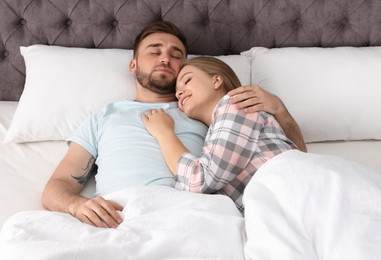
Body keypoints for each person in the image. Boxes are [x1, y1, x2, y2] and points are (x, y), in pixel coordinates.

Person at [42, 21, 305, 228]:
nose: (165, 59)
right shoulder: (104, 116)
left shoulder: (206, 112)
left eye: (176, 55)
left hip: (192, 212)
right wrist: (77, 206)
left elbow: (296, 159)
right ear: (132, 65)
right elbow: (60, 183)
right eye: (154, 52)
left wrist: (280, 110)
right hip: (121, 215)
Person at [142, 56, 298, 212]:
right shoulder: (215, 133)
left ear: (216, 80)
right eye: (176, 92)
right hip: (280, 206)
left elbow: (199, 180)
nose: (179, 93)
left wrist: (164, 133)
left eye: (187, 80)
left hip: (292, 196)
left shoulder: (237, 104)